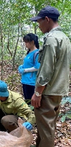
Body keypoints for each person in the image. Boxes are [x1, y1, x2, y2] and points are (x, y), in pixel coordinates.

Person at [30, 6, 71, 147]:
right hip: (58, 90)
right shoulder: (64, 38)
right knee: (47, 126)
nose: (39, 25)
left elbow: (46, 69)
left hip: (47, 91)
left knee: (46, 130)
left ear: (47, 19)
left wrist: (37, 92)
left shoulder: (52, 39)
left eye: (39, 22)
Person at [18, 33, 40, 104]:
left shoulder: (37, 53)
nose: (25, 44)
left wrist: (25, 70)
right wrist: (22, 67)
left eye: (27, 42)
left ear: (32, 42)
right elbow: (28, 64)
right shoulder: (29, 52)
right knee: (27, 101)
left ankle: (32, 115)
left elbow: (37, 67)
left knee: (31, 102)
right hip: (25, 80)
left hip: (31, 82)